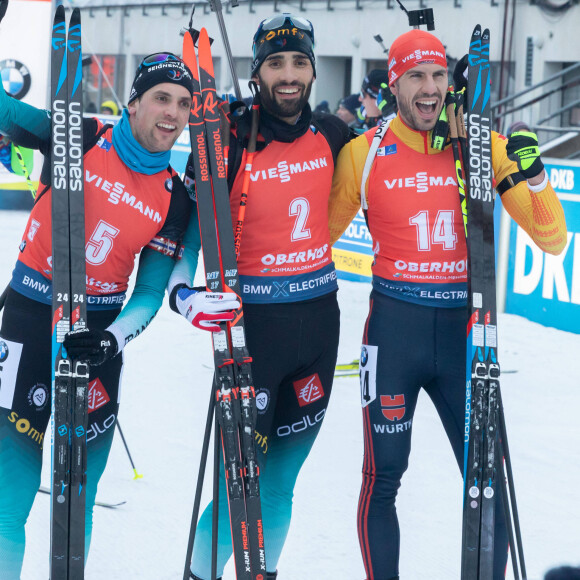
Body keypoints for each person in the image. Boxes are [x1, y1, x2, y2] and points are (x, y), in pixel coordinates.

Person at [328, 29, 567, 580]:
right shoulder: (363, 154)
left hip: (465, 333)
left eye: (438, 74)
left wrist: (533, 175)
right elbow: (314, 241)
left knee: (488, 479)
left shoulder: (480, 150)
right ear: (394, 83)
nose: (430, 88)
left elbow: (552, 239)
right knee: (381, 478)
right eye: (415, 75)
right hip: (393, 330)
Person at [0, 33, 232, 575]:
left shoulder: (175, 197)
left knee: (76, 494)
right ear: (133, 103)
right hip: (31, 315)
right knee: (8, 492)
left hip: (99, 336)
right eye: (161, 98)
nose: (172, 112)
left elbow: (150, 292)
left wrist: (112, 338)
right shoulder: (75, 135)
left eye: (182, 102)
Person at [169, 12, 350, 580]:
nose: (289, 74)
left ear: (314, 69)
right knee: (237, 486)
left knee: (280, 484)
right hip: (255, 332)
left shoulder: (335, 136)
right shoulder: (228, 137)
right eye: (276, 63)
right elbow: (192, 229)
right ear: (257, 73)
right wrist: (183, 295)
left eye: (299, 61)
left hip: (319, 327)